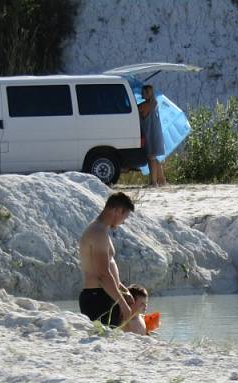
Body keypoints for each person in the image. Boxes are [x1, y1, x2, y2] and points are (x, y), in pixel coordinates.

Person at [78, 192, 135, 327]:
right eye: (124, 217)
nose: (124, 222)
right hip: (97, 297)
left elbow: (107, 269)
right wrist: (123, 304)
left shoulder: (101, 230)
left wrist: (123, 290)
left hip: (103, 295)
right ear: (117, 211)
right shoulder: (97, 232)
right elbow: (102, 274)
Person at [138, 84, 167, 187]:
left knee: (151, 157)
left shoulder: (146, 105)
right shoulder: (154, 103)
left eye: (143, 92)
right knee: (154, 157)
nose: (141, 94)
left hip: (151, 133)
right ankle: (162, 180)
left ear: (147, 93)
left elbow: (137, 110)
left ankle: (153, 182)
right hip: (155, 132)